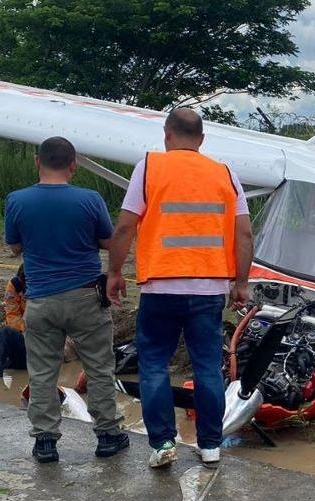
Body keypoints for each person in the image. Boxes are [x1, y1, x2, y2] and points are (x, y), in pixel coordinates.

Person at [106, 108, 253, 469]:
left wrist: (113, 273)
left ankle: (162, 445)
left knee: (154, 364)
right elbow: (244, 232)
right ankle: (211, 446)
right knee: (206, 367)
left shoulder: (149, 167)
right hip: (209, 288)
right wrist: (241, 282)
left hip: (160, 286)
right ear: (201, 140)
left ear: (167, 135)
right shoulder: (225, 173)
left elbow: (125, 227)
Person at [6, 136, 126, 464]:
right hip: (86, 296)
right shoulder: (90, 199)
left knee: (43, 371)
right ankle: (108, 435)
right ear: (73, 165)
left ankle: (45, 441)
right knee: (99, 366)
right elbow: (107, 240)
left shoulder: (16, 200)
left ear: (37, 162)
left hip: (41, 299)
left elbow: (15, 247)